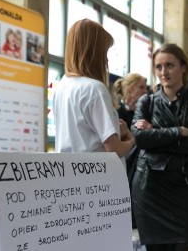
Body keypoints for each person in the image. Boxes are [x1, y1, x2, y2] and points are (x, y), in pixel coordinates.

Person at [131, 43, 188, 251]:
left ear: (183, 67)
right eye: (158, 66)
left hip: (181, 185)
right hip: (149, 187)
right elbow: (140, 138)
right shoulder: (146, 102)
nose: (163, 71)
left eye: (169, 65)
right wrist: (178, 132)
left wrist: (157, 133)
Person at [52, 19, 134, 159]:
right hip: (98, 177)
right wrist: (130, 141)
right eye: (104, 52)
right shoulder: (95, 89)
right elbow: (113, 150)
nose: (106, 60)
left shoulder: (62, 87)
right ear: (94, 52)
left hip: (70, 175)